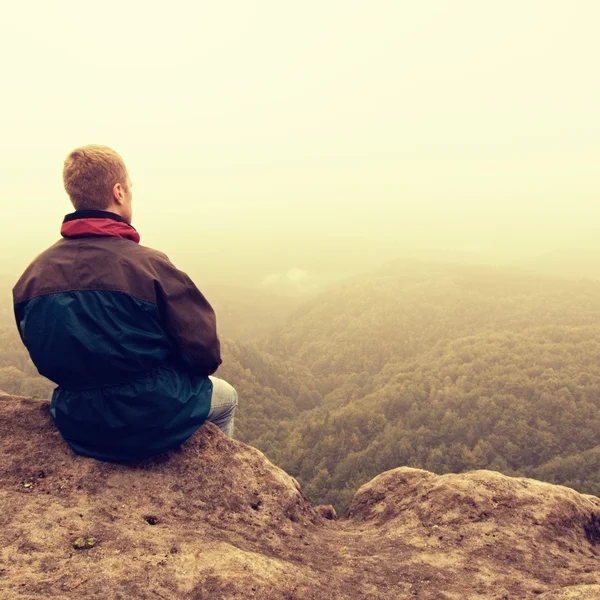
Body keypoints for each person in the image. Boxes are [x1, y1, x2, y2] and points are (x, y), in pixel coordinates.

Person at [12, 145, 237, 462]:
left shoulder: (33, 275)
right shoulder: (149, 266)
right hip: (151, 415)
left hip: (76, 421)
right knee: (227, 396)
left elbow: (41, 351)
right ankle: (220, 473)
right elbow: (203, 352)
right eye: (129, 187)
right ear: (118, 192)